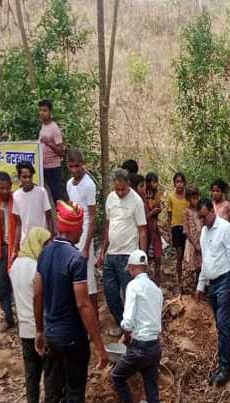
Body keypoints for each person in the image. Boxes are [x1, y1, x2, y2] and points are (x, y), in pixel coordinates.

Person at [35, 201, 109, 403]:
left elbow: (37, 294)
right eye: (80, 225)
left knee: (64, 395)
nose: (82, 229)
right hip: (72, 338)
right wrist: (99, 344)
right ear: (74, 226)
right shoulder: (75, 259)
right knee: (76, 397)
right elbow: (84, 305)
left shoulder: (45, 254)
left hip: (52, 335)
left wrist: (40, 330)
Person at [110, 249, 166, 403]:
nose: (130, 272)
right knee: (152, 393)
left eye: (130, 270)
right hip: (154, 347)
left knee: (116, 376)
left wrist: (125, 334)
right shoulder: (156, 289)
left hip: (140, 347)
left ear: (133, 268)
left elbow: (128, 321)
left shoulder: (133, 286)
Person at [10, 227, 60, 403]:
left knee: (31, 375)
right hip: (42, 328)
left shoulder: (15, 266)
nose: (48, 248)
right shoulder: (38, 268)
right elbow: (43, 297)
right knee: (50, 374)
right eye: (46, 244)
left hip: (25, 329)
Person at [195, 198, 230, 387]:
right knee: (219, 325)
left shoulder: (225, 229)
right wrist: (200, 284)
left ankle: (226, 367)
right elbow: (206, 260)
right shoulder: (204, 233)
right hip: (212, 283)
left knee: (223, 325)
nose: (202, 221)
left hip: (225, 281)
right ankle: (222, 363)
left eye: (204, 217)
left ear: (212, 212)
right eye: (200, 218)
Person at [97, 169, 148, 336]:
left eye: (123, 189)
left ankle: (135, 329)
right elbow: (108, 226)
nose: (120, 193)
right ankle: (123, 325)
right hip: (111, 255)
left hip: (128, 255)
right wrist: (102, 251)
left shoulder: (137, 201)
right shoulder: (111, 199)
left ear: (129, 185)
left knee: (130, 295)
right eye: (117, 189)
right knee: (110, 294)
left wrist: (142, 257)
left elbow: (142, 230)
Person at [66, 149, 98, 308]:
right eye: (71, 166)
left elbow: (93, 217)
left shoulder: (89, 185)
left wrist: (86, 246)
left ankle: (94, 321)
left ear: (82, 165)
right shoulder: (69, 184)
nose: (74, 170)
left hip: (85, 234)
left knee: (89, 279)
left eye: (77, 166)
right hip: (73, 234)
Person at [0, 172, 17, 330]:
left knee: (19, 285)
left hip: (16, 249)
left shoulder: (17, 201)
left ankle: (24, 318)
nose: (5, 191)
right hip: (1, 249)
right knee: (3, 286)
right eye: (2, 188)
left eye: (7, 188)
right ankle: (8, 318)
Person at [12, 161, 54, 259]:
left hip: (42, 242)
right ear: (19, 178)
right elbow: (18, 224)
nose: (27, 180)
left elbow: (49, 216)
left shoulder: (41, 192)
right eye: (24, 177)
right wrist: (15, 248)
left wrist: (50, 239)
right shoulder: (16, 195)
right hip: (25, 244)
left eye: (29, 177)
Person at [38, 99, 67, 204]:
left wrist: (49, 143)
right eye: (40, 110)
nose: (42, 113)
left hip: (54, 168)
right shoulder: (43, 126)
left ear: (50, 112)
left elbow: (62, 152)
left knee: (57, 197)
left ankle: (62, 218)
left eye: (45, 110)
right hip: (44, 167)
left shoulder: (55, 128)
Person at [167, 172, 189, 291]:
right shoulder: (171, 197)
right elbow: (169, 215)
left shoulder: (188, 196)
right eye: (177, 182)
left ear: (184, 183)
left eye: (181, 182)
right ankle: (179, 280)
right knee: (179, 255)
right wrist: (170, 230)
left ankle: (189, 279)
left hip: (188, 229)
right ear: (174, 183)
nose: (179, 184)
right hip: (176, 228)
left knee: (189, 255)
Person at [144, 178, 163, 285]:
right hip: (145, 231)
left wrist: (157, 210)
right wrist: (152, 212)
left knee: (157, 255)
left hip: (154, 229)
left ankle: (157, 280)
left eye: (156, 182)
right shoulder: (142, 199)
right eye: (153, 181)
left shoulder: (157, 195)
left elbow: (158, 208)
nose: (155, 184)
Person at [182, 187, 202, 290]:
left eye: (198, 197)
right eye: (194, 198)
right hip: (191, 243)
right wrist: (195, 244)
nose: (197, 200)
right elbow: (186, 230)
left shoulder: (201, 211)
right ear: (189, 199)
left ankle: (200, 288)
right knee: (190, 266)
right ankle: (189, 290)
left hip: (201, 242)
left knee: (200, 266)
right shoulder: (186, 211)